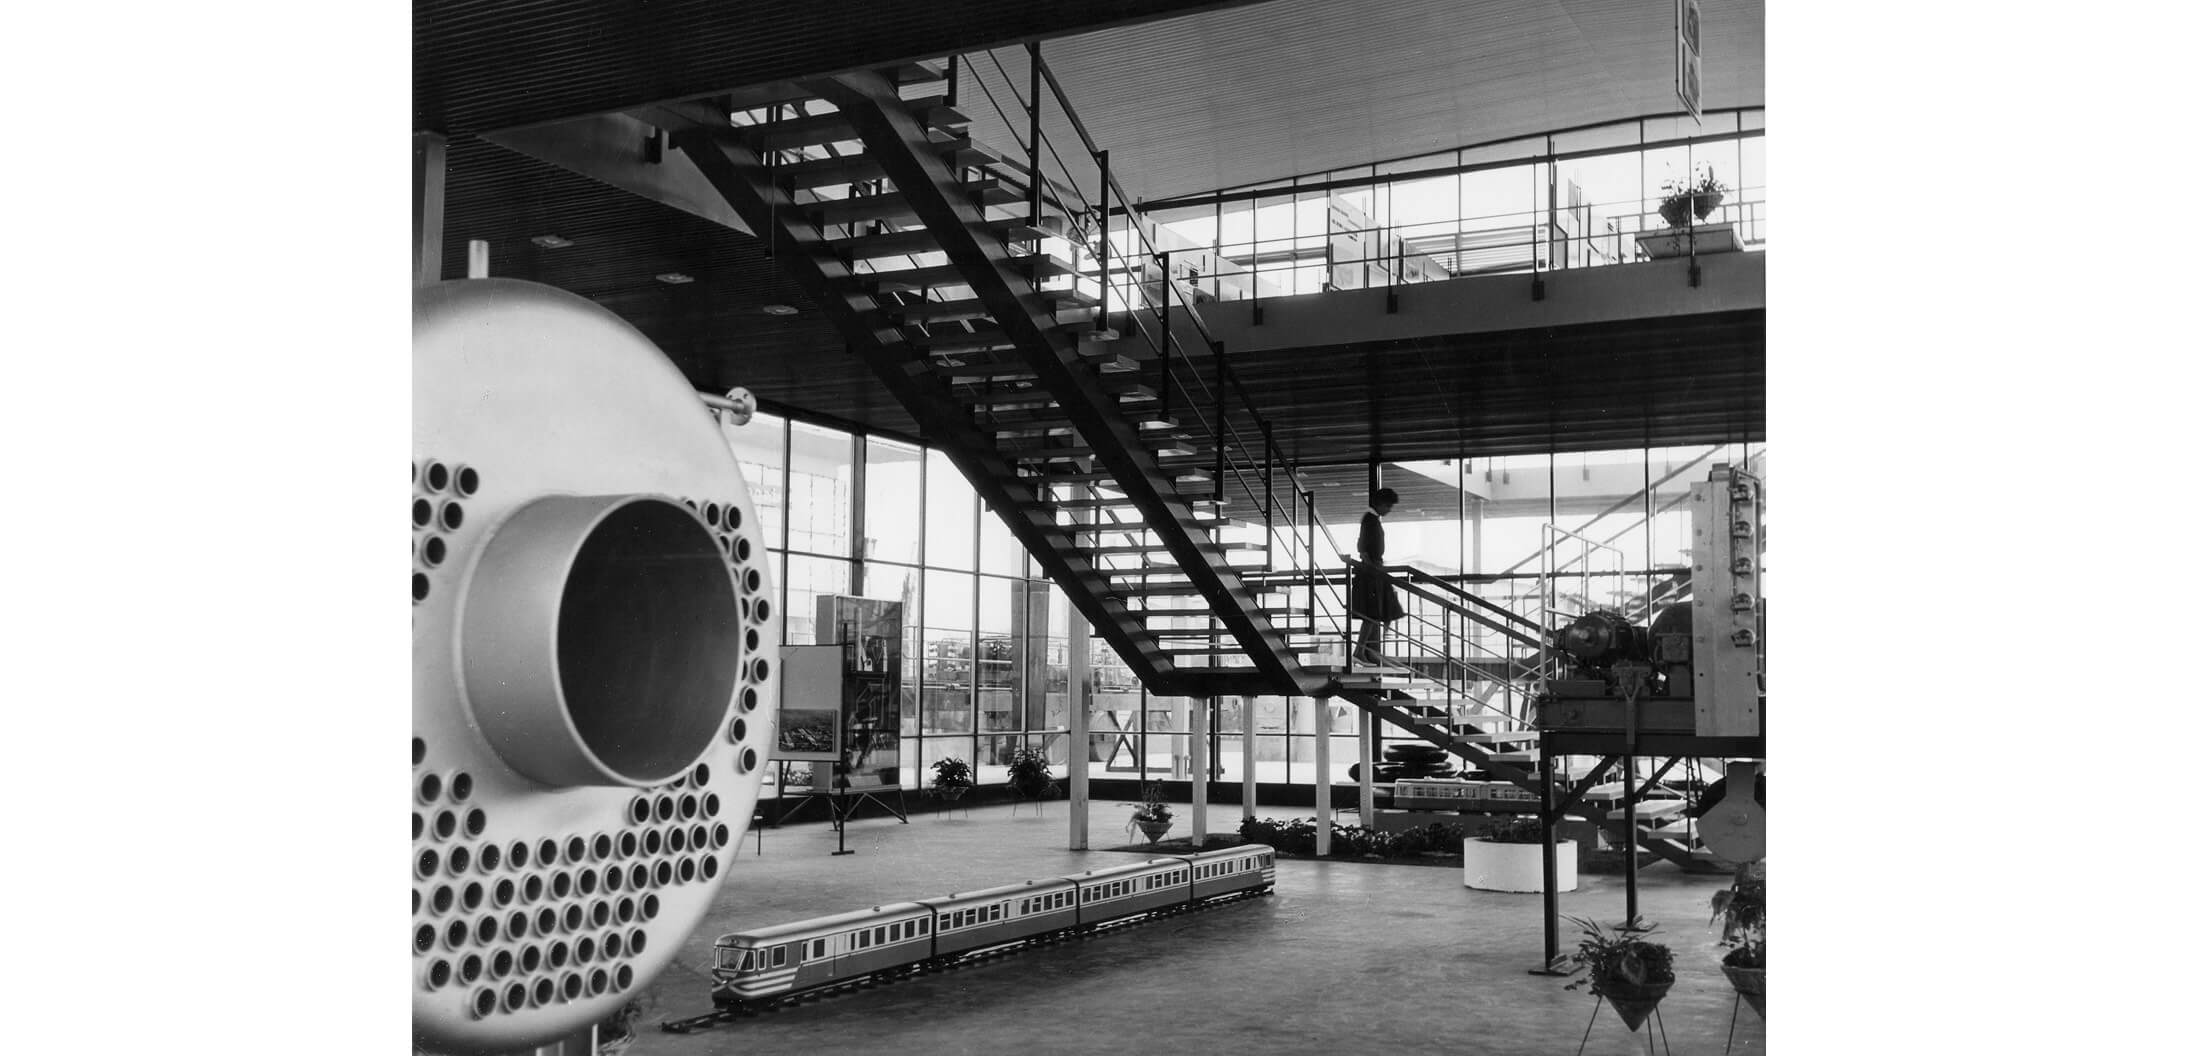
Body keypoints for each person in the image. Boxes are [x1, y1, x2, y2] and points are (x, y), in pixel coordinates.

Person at [1353, 487, 1404, 664]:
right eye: (1388, 506)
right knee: (1375, 612)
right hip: (1373, 569)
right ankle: (1362, 650)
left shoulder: (1371, 519)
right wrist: (1371, 566)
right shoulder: (1370, 520)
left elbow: (1362, 547)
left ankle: (1363, 650)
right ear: (1380, 503)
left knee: (1377, 612)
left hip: (1374, 568)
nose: (1389, 510)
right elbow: (1362, 547)